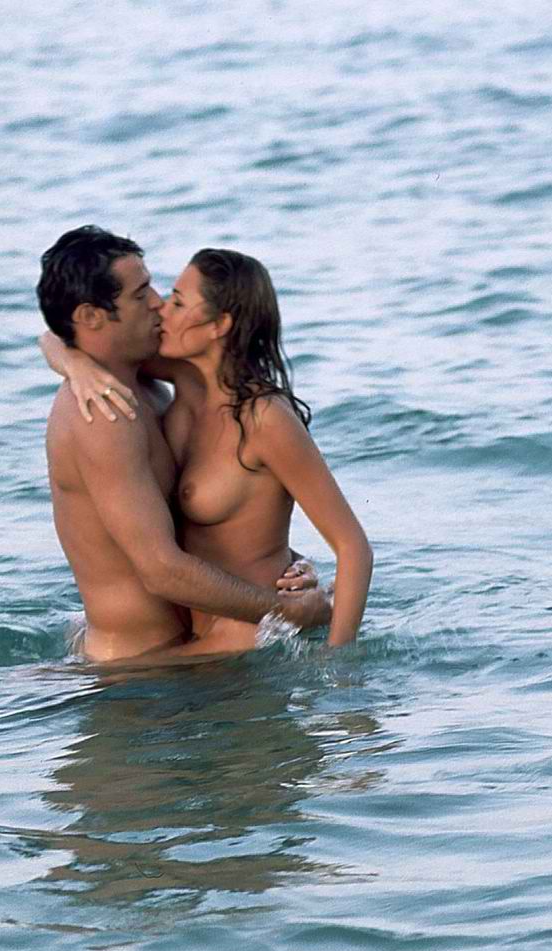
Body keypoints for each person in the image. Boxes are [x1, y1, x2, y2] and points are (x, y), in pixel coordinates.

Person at [41, 231, 373, 656]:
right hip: (151, 657)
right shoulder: (115, 404)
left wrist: (335, 658)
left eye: (177, 301)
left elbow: (342, 542)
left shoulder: (246, 410)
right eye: (144, 294)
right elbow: (61, 334)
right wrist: (73, 362)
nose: (160, 304)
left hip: (216, 642)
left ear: (219, 325)